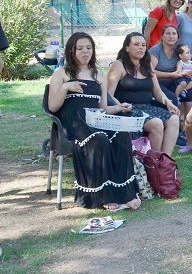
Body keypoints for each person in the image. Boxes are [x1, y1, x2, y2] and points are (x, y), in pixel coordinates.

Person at [47, 32, 140, 211]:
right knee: (99, 138)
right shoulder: (62, 74)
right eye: (80, 48)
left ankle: (124, 192)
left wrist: (120, 108)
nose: (85, 52)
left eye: (89, 48)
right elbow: (52, 106)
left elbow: (104, 107)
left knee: (121, 134)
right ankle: (102, 195)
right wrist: (66, 88)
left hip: (97, 119)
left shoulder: (98, 75)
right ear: (71, 51)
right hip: (74, 124)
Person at [108, 32, 180, 156]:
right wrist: (120, 106)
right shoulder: (118, 66)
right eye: (136, 44)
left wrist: (169, 103)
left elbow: (157, 92)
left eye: (143, 45)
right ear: (127, 48)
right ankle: (154, 161)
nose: (141, 47)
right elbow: (108, 94)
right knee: (156, 123)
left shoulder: (147, 66)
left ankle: (165, 161)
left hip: (147, 108)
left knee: (174, 119)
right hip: (128, 109)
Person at [149, 25, 192, 112]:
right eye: (168, 33)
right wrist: (171, 75)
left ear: (177, 37)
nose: (171, 36)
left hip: (176, 82)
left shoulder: (179, 50)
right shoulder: (156, 50)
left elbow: (187, 63)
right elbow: (150, 72)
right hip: (158, 84)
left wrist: (191, 72)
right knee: (173, 99)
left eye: (174, 34)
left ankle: (187, 123)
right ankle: (175, 123)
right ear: (162, 37)